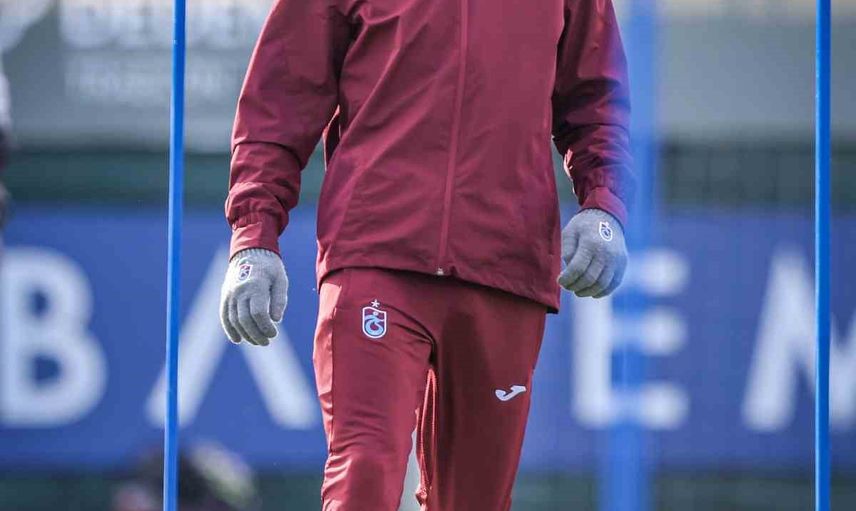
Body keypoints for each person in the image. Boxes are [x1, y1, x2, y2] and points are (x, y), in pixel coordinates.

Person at [220, 0, 633, 509]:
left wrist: (604, 206)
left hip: (504, 268)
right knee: (364, 473)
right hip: (376, 254)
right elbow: (279, 99)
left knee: (474, 501)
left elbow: (597, 103)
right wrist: (254, 236)